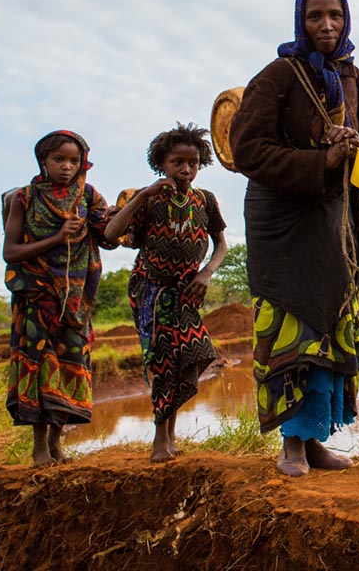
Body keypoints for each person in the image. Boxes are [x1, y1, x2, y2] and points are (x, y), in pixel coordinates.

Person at [230, 0, 359, 477]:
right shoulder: (278, 75)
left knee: (330, 321)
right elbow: (248, 150)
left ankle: (314, 440)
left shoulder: (353, 77)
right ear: (301, 20)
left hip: (333, 216)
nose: (326, 25)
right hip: (282, 219)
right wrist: (320, 159)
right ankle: (290, 447)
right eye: (316, 16)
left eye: (335, 15)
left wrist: (353, 145)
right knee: (292, 324)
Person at [104, 123, 227, 463]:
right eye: (177, 162)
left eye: (193, 162)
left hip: (187, 293)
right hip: (151, 291)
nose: (186, 169)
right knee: (162, 362)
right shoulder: (149, 198)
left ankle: (169, 434)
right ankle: (162, 439)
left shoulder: (206, 201)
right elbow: (113, 231)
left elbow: (221, 245)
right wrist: (142, 196)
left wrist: (206, 273)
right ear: (162, 163)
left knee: (195, 354)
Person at [2, 130, 118, 467]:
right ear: (43, 161)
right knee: (38, 367)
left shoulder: (89, 196)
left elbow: (107, 237)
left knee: (70, 367)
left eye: (73, 160)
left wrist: (130, 208)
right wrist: (56, 238)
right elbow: (11, 252)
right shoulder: (24, 199)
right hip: (36, 297)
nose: (67, 167)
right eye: (59, 159)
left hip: (76, 302)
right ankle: (39, 448)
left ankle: (56, 443)